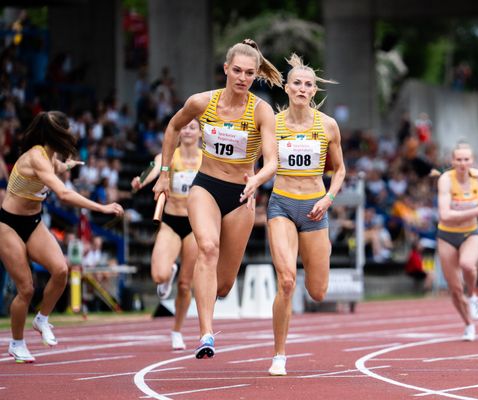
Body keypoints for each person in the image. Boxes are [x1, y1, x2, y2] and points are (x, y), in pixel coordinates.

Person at [153, 39, 282, 359]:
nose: (242, 77)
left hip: (241, 195)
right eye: (236, 70)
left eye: (249, 73)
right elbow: (172, 127)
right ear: (226, 69)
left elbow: (273, 161)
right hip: (206, 186)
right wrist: (165, 173)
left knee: (223, 285)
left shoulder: (261, 110)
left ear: (255, 76)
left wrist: (257, 179)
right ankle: (206, 334)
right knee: (207, 248)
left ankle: (210, 308)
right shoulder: (201, 102)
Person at [0, 111, 124, 363]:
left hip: (33, 222)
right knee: (26, 288)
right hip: (8, 224)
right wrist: (101, 208)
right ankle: (16, 343)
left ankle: (42, 319)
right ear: (56, 135)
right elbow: (64, 195)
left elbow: (57, 167)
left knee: (61, 270)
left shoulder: (50, 157)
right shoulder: (36, 157)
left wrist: (69, 166)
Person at [266, 54, 345, 376]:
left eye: (308, 84)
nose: (302, 88)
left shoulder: (328, 125)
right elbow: (255, 160)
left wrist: (328, 198)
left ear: (314, 91)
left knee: (318, 291)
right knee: (286, 280)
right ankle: (279, 355)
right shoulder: (272, 123)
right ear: (286, 88)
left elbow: (339, 169)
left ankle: (282, 348)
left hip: (315, 209)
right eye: (296, 83)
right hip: (282, 204)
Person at [131, 119, 202, 350]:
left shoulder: (206, 159)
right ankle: (168, 271)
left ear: (201, 133)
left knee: (185, 285)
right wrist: (141, 180)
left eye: (193, 127)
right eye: (184, 127)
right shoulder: (171, 156)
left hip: (195, 224)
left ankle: (177, 330)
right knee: (159, 275)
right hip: (171, 221)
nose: (188, 131)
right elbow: (153, 168)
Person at [436, 142, 478, 341]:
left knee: (468, 264)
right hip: (447, 235)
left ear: (472, 160)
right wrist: (476, 211)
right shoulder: (445, 179)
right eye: (459, 159)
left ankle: (474, 295)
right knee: (454, 289)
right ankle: (469, 324)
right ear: (452, 161)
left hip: (471, 232)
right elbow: (444, 214)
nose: (463, 163)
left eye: (466, 159)